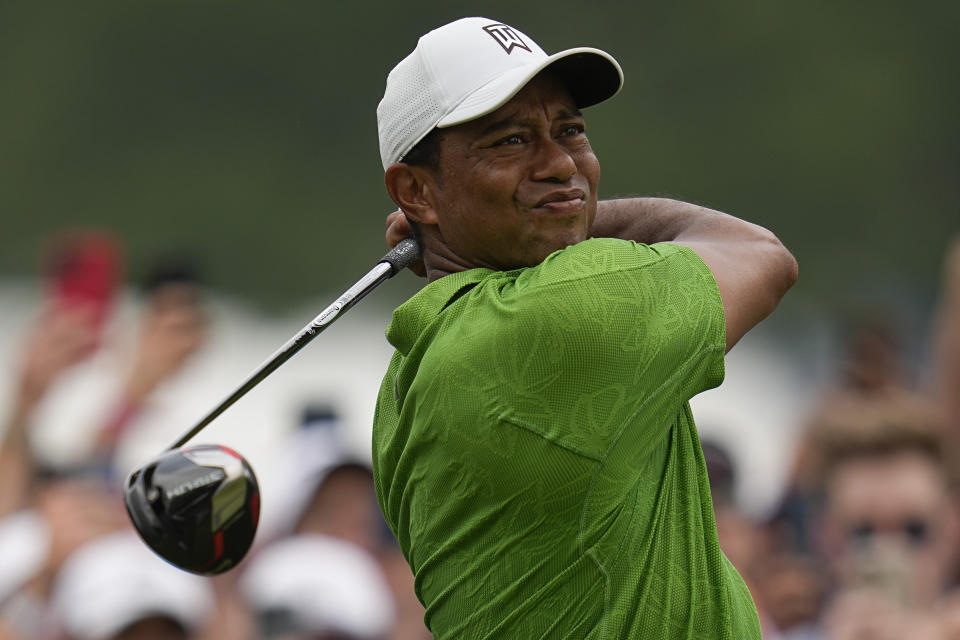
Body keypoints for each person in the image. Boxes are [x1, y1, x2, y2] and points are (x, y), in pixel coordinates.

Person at [371, 17, 798, 639]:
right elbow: (761, 255)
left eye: (570, 130)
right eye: (510, 141)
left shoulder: (414, 363)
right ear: (416, 192)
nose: (559, 161)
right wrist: (575, 212)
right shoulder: (556, 314)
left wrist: (518, 216)